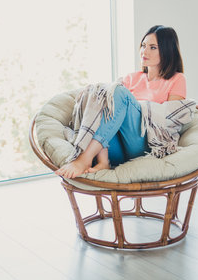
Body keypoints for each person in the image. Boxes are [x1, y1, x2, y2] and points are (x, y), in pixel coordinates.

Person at [56, 25, 186, 179]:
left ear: (167, 50)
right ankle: (103, 161)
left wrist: (139, 109)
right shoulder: (132, 78)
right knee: (102, 94)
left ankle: (84, 159)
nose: (144, 51)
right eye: (143, 46)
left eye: (152, 47)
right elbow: (108, 108)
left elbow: (170, 122)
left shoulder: (177, 79)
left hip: (143, 145)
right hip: (115, 150)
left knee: (118, 92)